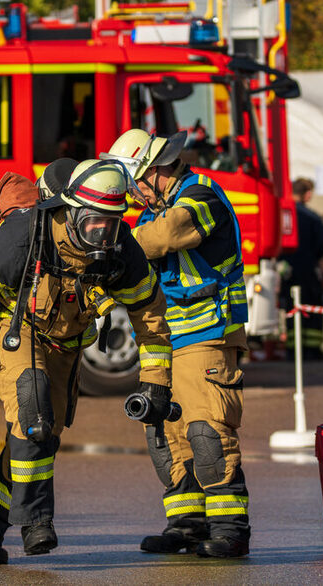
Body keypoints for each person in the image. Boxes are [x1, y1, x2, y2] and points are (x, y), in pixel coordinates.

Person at [0, 159, 173, 564]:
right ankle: (36, 522)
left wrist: (156, 381)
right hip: (12, 329)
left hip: (64, 347)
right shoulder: (26, 234)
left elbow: (150, 313)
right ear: (70, 209)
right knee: (32, 406)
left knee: (37, 441)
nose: (101, 234)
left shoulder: (120, 245)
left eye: (110, 224)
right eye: (93, 222)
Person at [102, 129, 251, 557]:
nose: (132, 193)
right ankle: (186, 525)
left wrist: (112, 245)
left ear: (154, 172)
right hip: (165, 339)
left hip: (207, 331)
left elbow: (168, 236)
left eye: (133, 183)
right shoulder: (150, 214)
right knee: (166, 433)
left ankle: (229, 530)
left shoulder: (199, 196)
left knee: (206, 428)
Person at [278, 178, 323, 360]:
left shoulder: (282, 214)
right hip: (308, 268)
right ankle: (312, 349)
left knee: (292, 309)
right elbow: (321, 243)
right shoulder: (312, 217)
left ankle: (293, 349)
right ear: (307, 194)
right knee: (311, 308)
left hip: (288, 269)